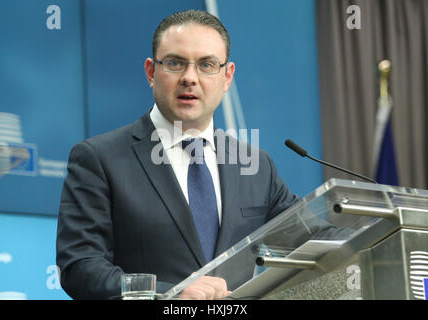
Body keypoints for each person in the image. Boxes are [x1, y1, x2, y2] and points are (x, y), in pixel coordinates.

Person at [57, 9, 315, 300]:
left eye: (206, 65)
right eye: (175, 63)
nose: (190, 78)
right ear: (151, 72)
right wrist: (169, 295)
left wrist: (374, 231)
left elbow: (312, 239)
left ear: (227, 76)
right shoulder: (99, 159)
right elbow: (80, 266)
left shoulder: (256, 166)